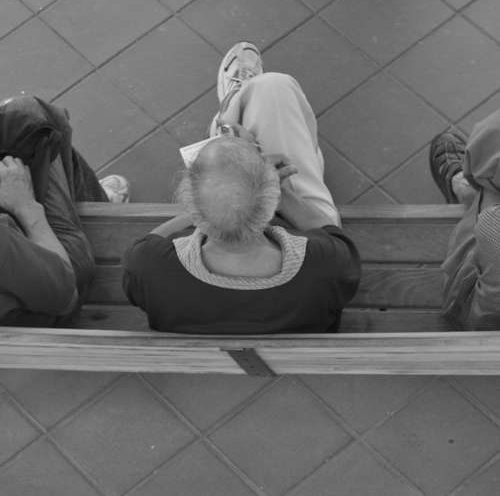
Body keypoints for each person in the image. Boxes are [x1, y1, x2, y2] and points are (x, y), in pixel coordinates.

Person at [123, 41, 361, 334]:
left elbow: (146, 244)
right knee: (276, 89)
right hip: (282, 228)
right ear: (270, 203)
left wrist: (214, 200)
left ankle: (231, 114)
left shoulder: (149, 266)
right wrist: (280, 193)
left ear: (195, 213)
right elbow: (333, 234)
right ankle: (241, 106)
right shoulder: (328, 264)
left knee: (263, 106)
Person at [0, 96, 129, 327]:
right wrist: (25, 206)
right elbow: (64, 293)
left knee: (28, 122)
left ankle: (95, 196)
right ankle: (99, 200)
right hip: (47, 308)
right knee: (37, 123)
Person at [430, 110, 500, 330]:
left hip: (483, 333)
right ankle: (468, 189)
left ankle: (462, 186)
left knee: (488, 192)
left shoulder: (494, 223)